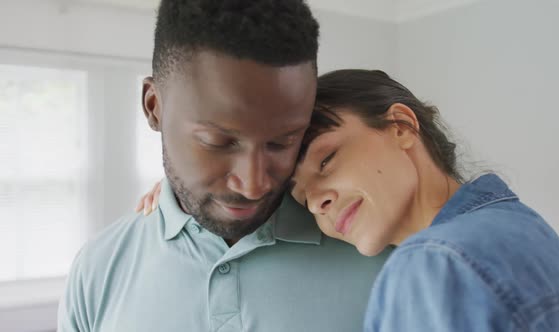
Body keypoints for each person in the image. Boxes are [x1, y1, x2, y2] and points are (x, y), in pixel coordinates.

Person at [140, 69, 559, 331]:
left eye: (328, 160)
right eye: (299, 195)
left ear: (400, 127)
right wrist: (191, 191)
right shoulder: (516, 223)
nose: (317, 202)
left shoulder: (432, 262)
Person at [57, 2, 391, 332]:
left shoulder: (379, 254)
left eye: (282, 142)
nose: (253, 185)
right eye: (218, 142)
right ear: (154, 106)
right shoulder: (97, 271)